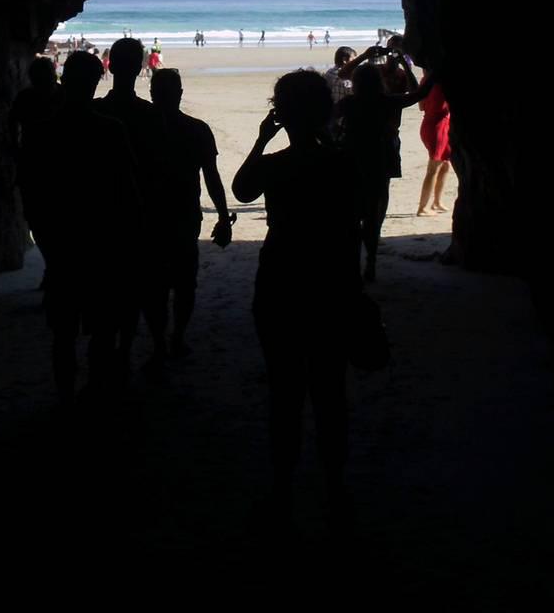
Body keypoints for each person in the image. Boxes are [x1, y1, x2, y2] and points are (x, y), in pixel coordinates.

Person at [232, 70, 359, 529]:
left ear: (281, 114)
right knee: (329, 390)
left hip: (281, 280)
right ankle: (335, 486)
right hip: (328, 282)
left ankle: (283, 488)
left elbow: (242, 189)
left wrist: (263, 139)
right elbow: (350, 234)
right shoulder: (343, 165)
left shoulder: (275, 166)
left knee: (284, 392)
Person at [33, 51, 140, 404]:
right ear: (97, 83)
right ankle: (94, 391)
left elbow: (34, 199)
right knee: (103, 329)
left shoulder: (44, 132)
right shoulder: (110, 130)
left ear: (63, 80)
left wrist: (48, 247)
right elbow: (127, 194)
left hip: (62, 245)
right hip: (103, 245)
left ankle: (66, 396)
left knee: (63, 334)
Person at [146, 69, 233, 360]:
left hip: (148, 216)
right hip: (184, 215)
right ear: (180, 94)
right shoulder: (197, 129)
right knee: (185, 283)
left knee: (154, 285)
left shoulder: (138, 129)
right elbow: (212, 177)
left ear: (152, 93)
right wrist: (222, 215)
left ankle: (159, 341)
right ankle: (177, 337)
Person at [95, 38, 165, 376]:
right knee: (140, 288)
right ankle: (129, 351)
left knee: (104, 292)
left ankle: (108, 358)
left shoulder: (96, 112)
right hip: (141, 213)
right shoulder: (150, 116)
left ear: (111, 65)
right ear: (141, 67)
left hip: (99, 216)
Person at [335, 42, 425, 282]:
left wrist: (367, 56)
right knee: (376, 206)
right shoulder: (387, 100)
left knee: (353, 210)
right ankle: (371, 260)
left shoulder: (349, 103)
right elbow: (419, 94)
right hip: (382, 153)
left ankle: (354, 262)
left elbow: (329, 114)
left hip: (352, 156)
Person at [6, 57, 61, 280]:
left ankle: (53, 266)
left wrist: (15, 147)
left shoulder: (26, 97)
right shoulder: (61, 95)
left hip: (33, 163)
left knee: (38, 219)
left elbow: (12, 121)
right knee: (51, 218)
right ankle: (55, 266)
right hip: (55, 165)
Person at [415, 70, 451, 216]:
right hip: (437, 127)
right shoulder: (441, 83)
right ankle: (422, 208)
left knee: (445, 165)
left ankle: (437, 201)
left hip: (432, 123)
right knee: (434, 167)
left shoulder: (425, 80)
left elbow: (421, 106)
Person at [323, 46, 357, 113]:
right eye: (353, 60)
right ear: (344, 60)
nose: (355, 63)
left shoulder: (329, 73)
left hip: (330, 112)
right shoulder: (347, 80)